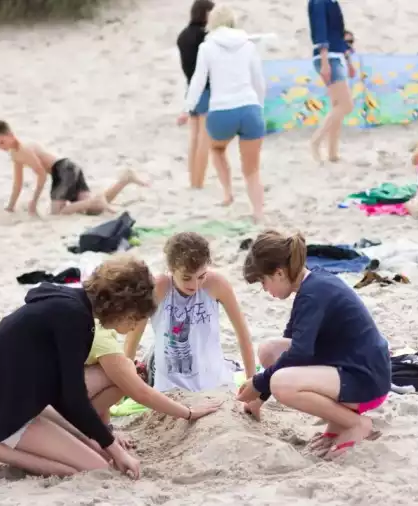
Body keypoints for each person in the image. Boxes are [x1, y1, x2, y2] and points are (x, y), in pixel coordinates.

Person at [0, 255, 155, 479]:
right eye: (134, 317)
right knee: (96, 467)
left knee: (102, 451)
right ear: (121, 306)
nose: (133, 326)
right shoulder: (73, 317)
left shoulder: (72, 303)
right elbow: (73, 397)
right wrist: (115, 448)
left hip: (13, 399)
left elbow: (64, 394)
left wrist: (105, 440)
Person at [235, 231, 392, 458]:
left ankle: (356, 423)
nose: (265, 290)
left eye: (263, 282)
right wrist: (258, 399)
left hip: (366, 380)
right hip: (350, 367)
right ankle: (338, 423)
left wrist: (259, 383)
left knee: (282, 384)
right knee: (269, 351)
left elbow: (300, 353)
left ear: (278, 273)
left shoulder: (313, 294)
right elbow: (288, 352)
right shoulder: (312, 284)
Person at [123, 232, 257, 394]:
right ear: (172, 269)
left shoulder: (216, 284)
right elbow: (133, 338)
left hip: (213, 379)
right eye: (186, 278)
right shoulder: (159, 288)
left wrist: (252, 383)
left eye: (201, 276)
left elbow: (243, 334)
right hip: (169, 383)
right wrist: (126, 384)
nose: (195, 285)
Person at [178, 4, 265, 223]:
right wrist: (259, 106)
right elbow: (259, 81)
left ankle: (227, 193)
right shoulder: (248, 45)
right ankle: (258, 212)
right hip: (250, 108)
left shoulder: (207, 47)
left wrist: (188, 109)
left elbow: (198, 82)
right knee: (252, 169)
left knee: (217, 149)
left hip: (221, 111)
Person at [81, 320, 223, 434]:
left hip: (67, 393)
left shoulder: (97, 323)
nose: (135, 326)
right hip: (65, 406)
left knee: (120, 370)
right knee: (125, 371)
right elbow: (141, 393)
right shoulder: (102, 338)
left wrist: (107, 429)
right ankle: (79, 425)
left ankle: (89, 426)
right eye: (135, 318)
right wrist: (189, 413)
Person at [0, 120, 148, 217]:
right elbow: (18, 183)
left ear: (10, 134)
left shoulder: (24, 149)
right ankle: (124, 180)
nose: (1, 147)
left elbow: (42, 175)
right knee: (92, 210)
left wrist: (34, 201)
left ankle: (96, 199)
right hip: (70, 167)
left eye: (2, 142)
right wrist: (10, 206)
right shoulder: (15, 154)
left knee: (57, 212)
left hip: (62, 170)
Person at [308, 0, 356, 164]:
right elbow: (319, 30)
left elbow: (339, 33)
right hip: (328, 58)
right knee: (346, 105)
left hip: (336, 56)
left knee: (338, 106)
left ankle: (332, 152)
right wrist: (324, 61)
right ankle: (315, 141)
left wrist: (348, 60)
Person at [177, 0, 216, 190]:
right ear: (205, 14)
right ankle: (199, 181)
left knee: (194, 138)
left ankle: (193, 178)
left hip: (190, 87)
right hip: (206, 88)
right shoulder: (205, 38)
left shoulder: (183, 36)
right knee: (204, 138)